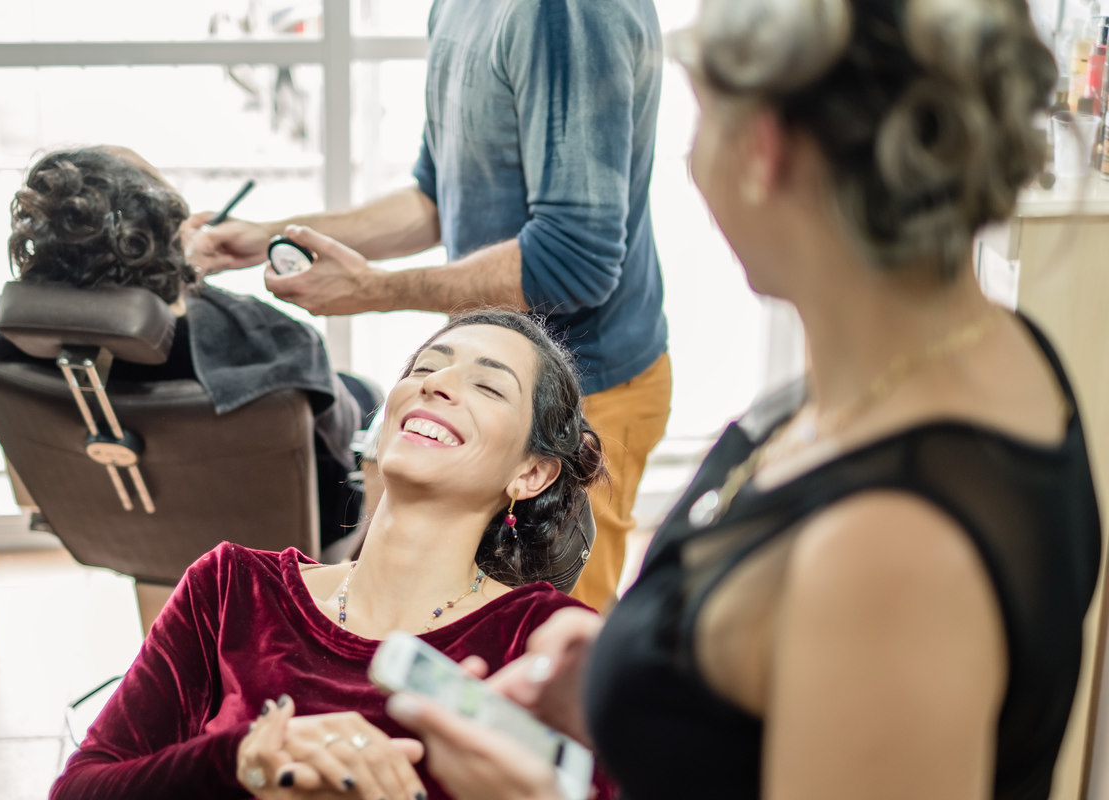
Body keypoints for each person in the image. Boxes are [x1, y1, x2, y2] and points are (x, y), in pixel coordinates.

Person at [383, 1, 1105, 798]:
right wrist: (650, 685)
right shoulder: (960, 355)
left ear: (763, 149)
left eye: (704, 120)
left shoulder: (890, 556)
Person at [184, 0, 672, 612]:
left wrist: (374, 292)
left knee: (540, 650)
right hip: (492, 375)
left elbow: (574, 259)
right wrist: (277, 233)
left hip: (583, 389)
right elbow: (434, 196)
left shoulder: (568, 15)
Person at [47, 308, 611, 800]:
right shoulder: (230, 587)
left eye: (489, 387)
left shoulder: (549, 645)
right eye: (424, 368)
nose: (435, 385)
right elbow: (79, 788)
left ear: (530, 472)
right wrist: (239, 761)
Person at [0, 145, 380, 551]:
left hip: (116, 526)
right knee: (362, 396)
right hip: (286, 539)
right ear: (167, 235)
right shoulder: (277, 341)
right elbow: (338, 444)